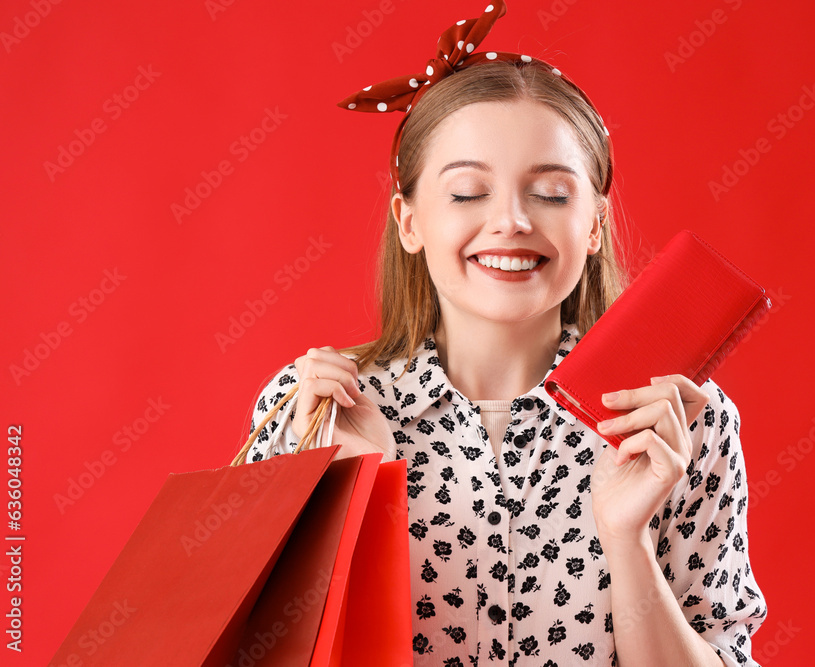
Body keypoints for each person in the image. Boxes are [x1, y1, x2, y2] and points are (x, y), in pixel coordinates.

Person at [243, 1, 767, 664]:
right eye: (468, 192)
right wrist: (361, 498)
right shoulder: (312, 412)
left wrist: (626, 537)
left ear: (596, 225)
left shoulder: (680, 417)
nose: (512, 221)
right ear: (409, 221)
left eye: (550, 192)